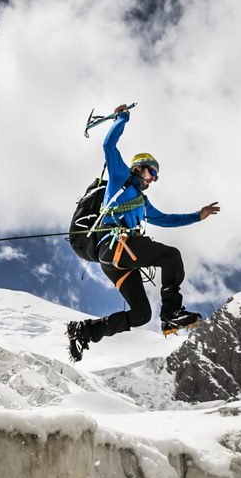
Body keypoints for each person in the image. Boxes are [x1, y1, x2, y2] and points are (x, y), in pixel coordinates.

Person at [67, 104, 220, 362]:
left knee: (141, 315)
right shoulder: (120, 179)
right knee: (171, 257)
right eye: (152, 171)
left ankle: (84, 331)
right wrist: (122, 119)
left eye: (156, 176)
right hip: (116, 247)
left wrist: (197, 215)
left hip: (115, 260)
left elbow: (167, 219)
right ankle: (172, 312)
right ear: (139, 167)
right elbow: (108, 146)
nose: (153, 178)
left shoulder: (142, 203)